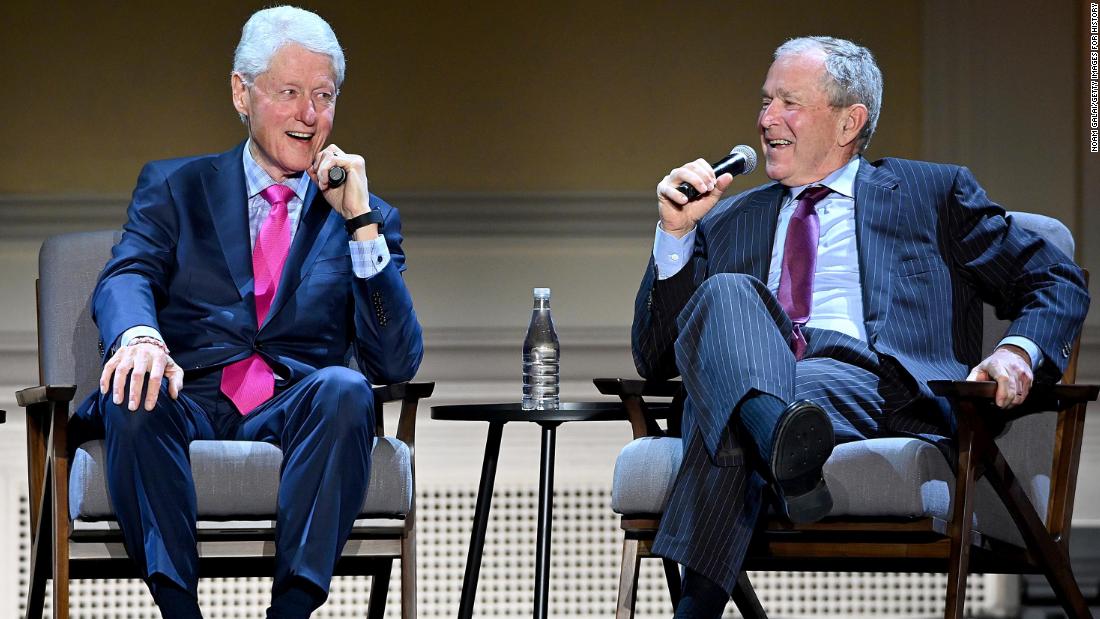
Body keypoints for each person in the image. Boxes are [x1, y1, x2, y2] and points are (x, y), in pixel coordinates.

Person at [631, 36, 1088, 618]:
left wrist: (1018, 352)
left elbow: (1055, 279)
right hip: (773, 378)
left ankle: (758, 463)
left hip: (870, 385)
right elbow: (656, 358)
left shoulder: (929, 193)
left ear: (850, 121)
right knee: (728, 299)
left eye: (788, 102)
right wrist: (674, 236)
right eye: (765, 100)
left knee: (722, 409)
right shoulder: (726, 219)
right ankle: (778, 437)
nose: (765, 118)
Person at [70, 6, 423, 618]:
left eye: (323, 96)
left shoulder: (365, 217)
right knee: (135, 388)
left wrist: (361, 225)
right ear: (243, 92)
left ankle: (291, 610)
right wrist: (140, 336)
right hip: (187, 392)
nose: (309, 116)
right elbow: (128, 272)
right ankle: (180, 610)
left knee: (345, 389)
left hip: (291, 406)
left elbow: (395, 360)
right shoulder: (177, 186)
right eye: (289, 93)